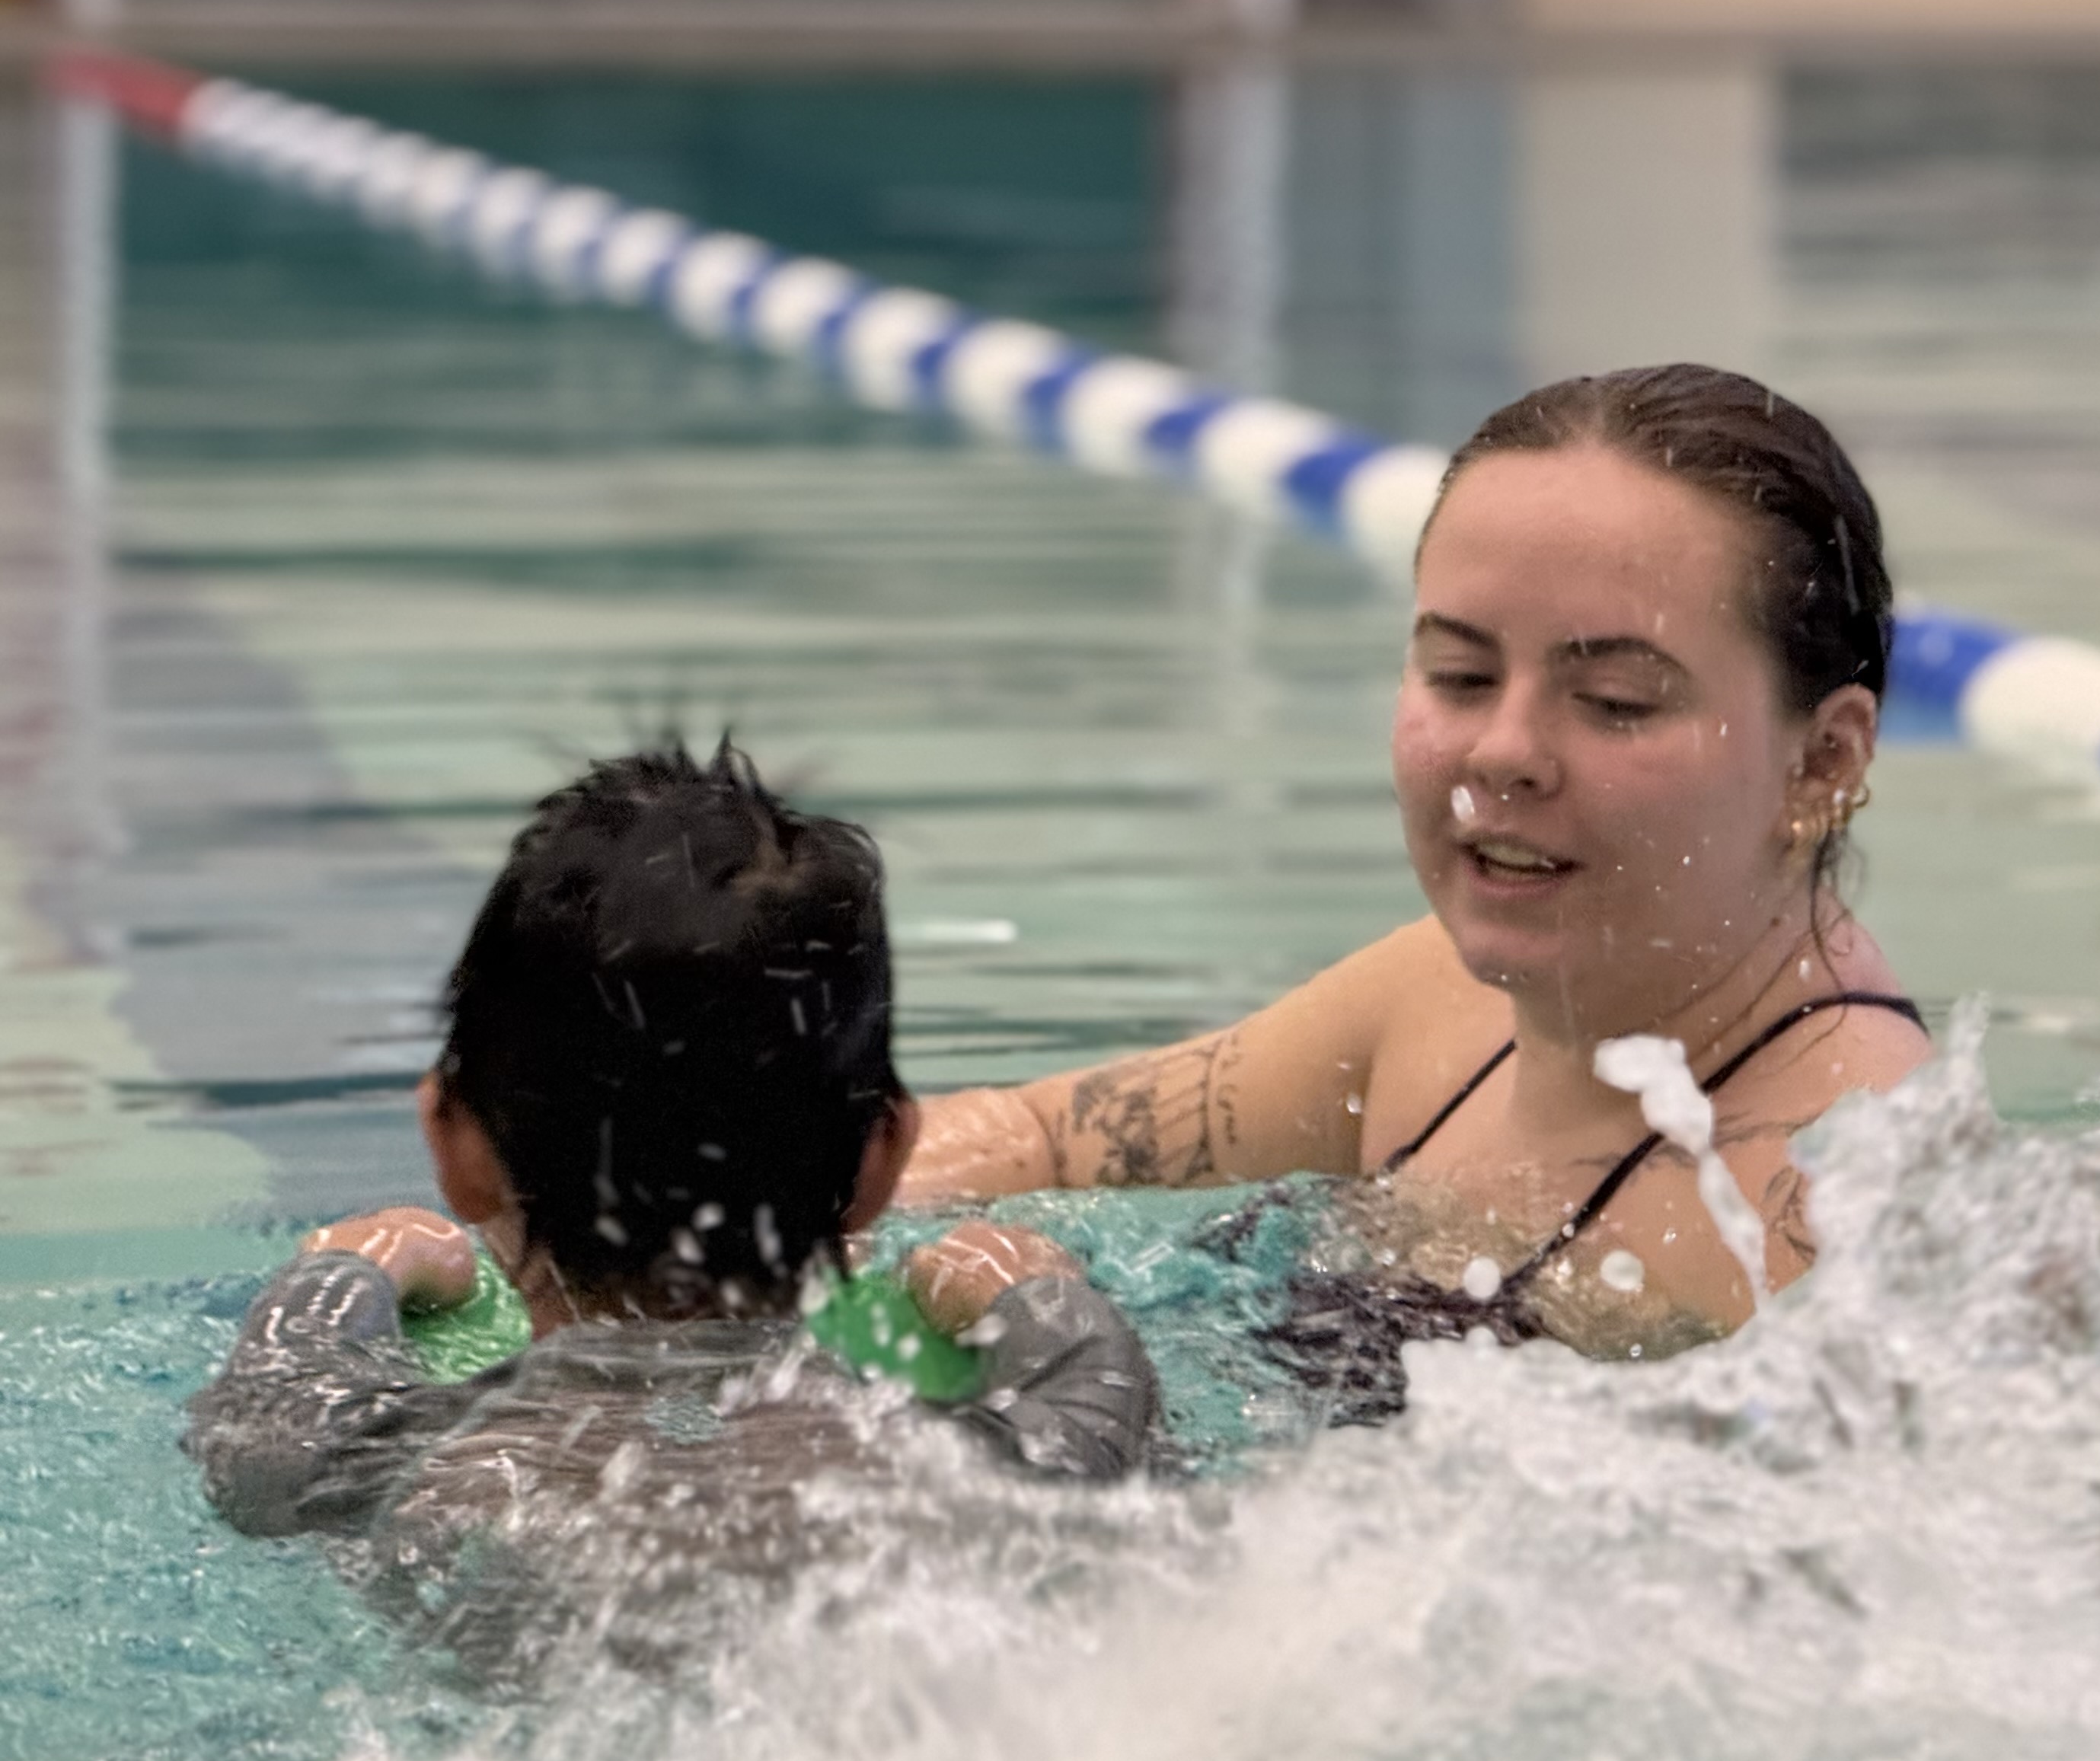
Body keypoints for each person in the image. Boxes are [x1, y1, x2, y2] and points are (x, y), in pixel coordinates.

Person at [900, 365, 1932, 1391]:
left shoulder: (1846, 1217)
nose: (1502, 751)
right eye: (1461, 676)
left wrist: (1071, 1365)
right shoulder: (1440, 1010)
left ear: (1822, 764)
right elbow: (1038, 1138)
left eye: (1615, 699)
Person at [186, 742, 1159, 1676]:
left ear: (453, 1143)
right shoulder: (973, 1482)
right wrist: (1035, 1293)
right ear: (884, 1159)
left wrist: (349, 1269)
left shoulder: (404, 1465)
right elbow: (1106, 1421)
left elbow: (259, 1451)